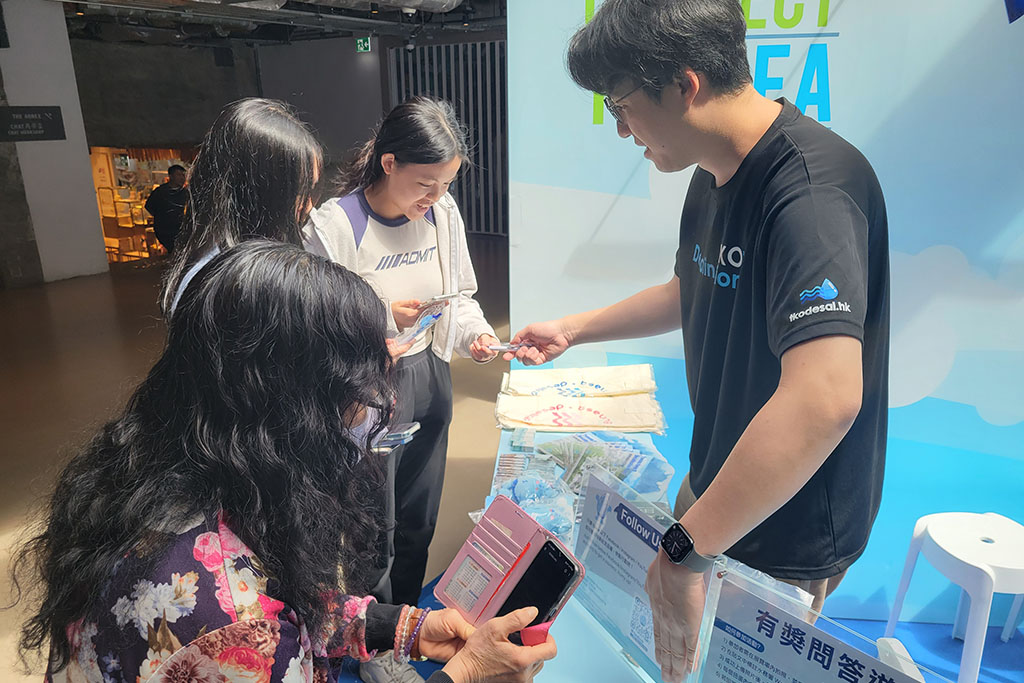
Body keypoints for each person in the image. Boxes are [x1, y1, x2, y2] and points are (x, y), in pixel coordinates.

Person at [508, 1, 890, 680]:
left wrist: (688, 550)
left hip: (784, 518)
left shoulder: (811, 192)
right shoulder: (713, 173)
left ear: (685, 85)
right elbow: (694, 287)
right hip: (718, 482)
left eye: (621, 105)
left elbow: (825, 398)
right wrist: (575, 328)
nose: (620, 129)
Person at [13, 241, 557, 683]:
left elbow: (281, 595)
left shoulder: (164, 474)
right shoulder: (235, 631)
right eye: (363, 383)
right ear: (294, 408)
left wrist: (396, 627)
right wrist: (466, 675)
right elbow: (252, 617)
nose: (382, 403)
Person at [304, 97, 499, 672]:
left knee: (418, 514)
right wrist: (386, 319)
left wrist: (478, 336)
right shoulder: (335, 227)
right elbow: (316, 326)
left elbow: (459, 298)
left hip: (428, 374)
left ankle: (410, 624)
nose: (434, 197)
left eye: (446, 184)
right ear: (388, 163)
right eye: (424, 183)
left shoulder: (442, 214)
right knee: (373, 521)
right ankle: (376, 640)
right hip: (366, 391)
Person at [161, 98, 323, 316]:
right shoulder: (233, 286)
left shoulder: (216, 263)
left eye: (311, 190)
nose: (309, 206)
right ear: (260, 193)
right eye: (299, 193)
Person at [145, 164, 188, 254]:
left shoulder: (184, 192)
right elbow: (149, 206)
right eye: (178, 175)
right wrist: (161, 217)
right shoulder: (160, 192)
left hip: (180, 229)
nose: (182, 178)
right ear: (171, 176)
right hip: (164, 230)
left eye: (183, 175)